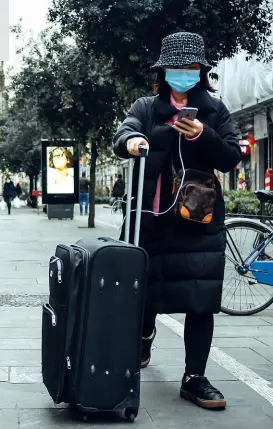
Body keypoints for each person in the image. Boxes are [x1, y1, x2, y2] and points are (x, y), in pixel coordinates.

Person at [113, 32, 241, 409]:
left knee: (200, 299)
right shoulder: (146, 107)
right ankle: (143, 336)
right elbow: (124, 131)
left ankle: (195, 378)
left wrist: (204, 135)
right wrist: (132, 142)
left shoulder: (215, 110)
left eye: (190, 67)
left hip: (197, 220)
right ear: (164, 70)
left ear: (200, 70)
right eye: (176, 67)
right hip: (149, 219)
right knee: (143, 290)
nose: (183, 73)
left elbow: (231, 156)